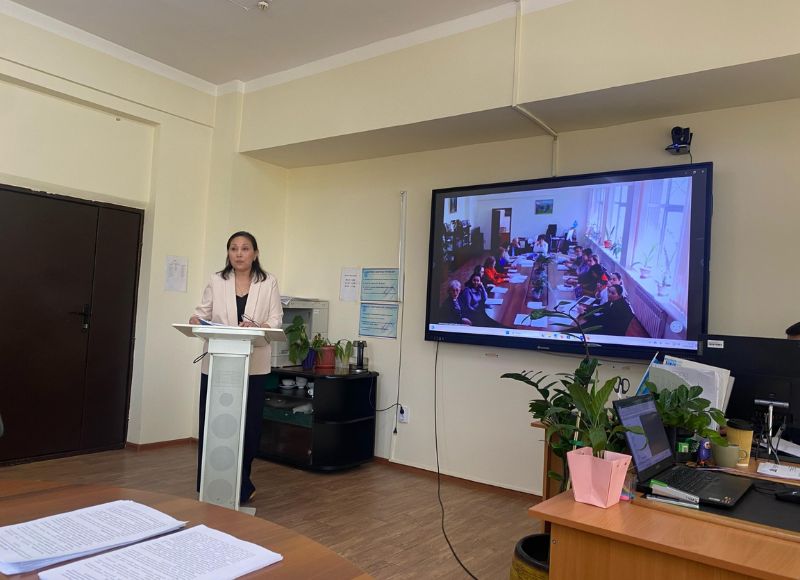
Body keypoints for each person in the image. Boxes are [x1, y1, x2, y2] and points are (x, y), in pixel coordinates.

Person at [189, 231, 283, 504]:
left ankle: (242, 484)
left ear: (255, 253)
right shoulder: (217, 280)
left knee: (248, 426)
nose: (239, 253)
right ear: (228, 253)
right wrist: (196, 319)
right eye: (233, 248)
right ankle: (209, 483)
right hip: (218, 365)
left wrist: (258, 326)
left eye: (245, 248)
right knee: (215, 425)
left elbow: (276, 319)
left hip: (254, 365)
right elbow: (202, 313)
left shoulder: (268, 282)